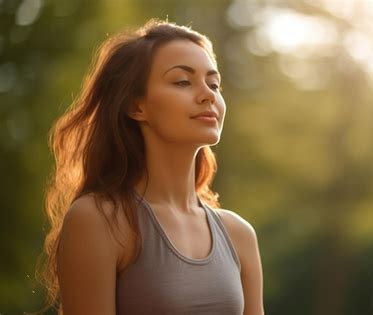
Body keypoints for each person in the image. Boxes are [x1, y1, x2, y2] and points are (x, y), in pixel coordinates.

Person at [39, 18, 264, 315]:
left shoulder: (239, 234)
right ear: (136, 106)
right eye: (183, 81)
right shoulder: (99, 220)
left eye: (214, 84)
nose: (208, 94)